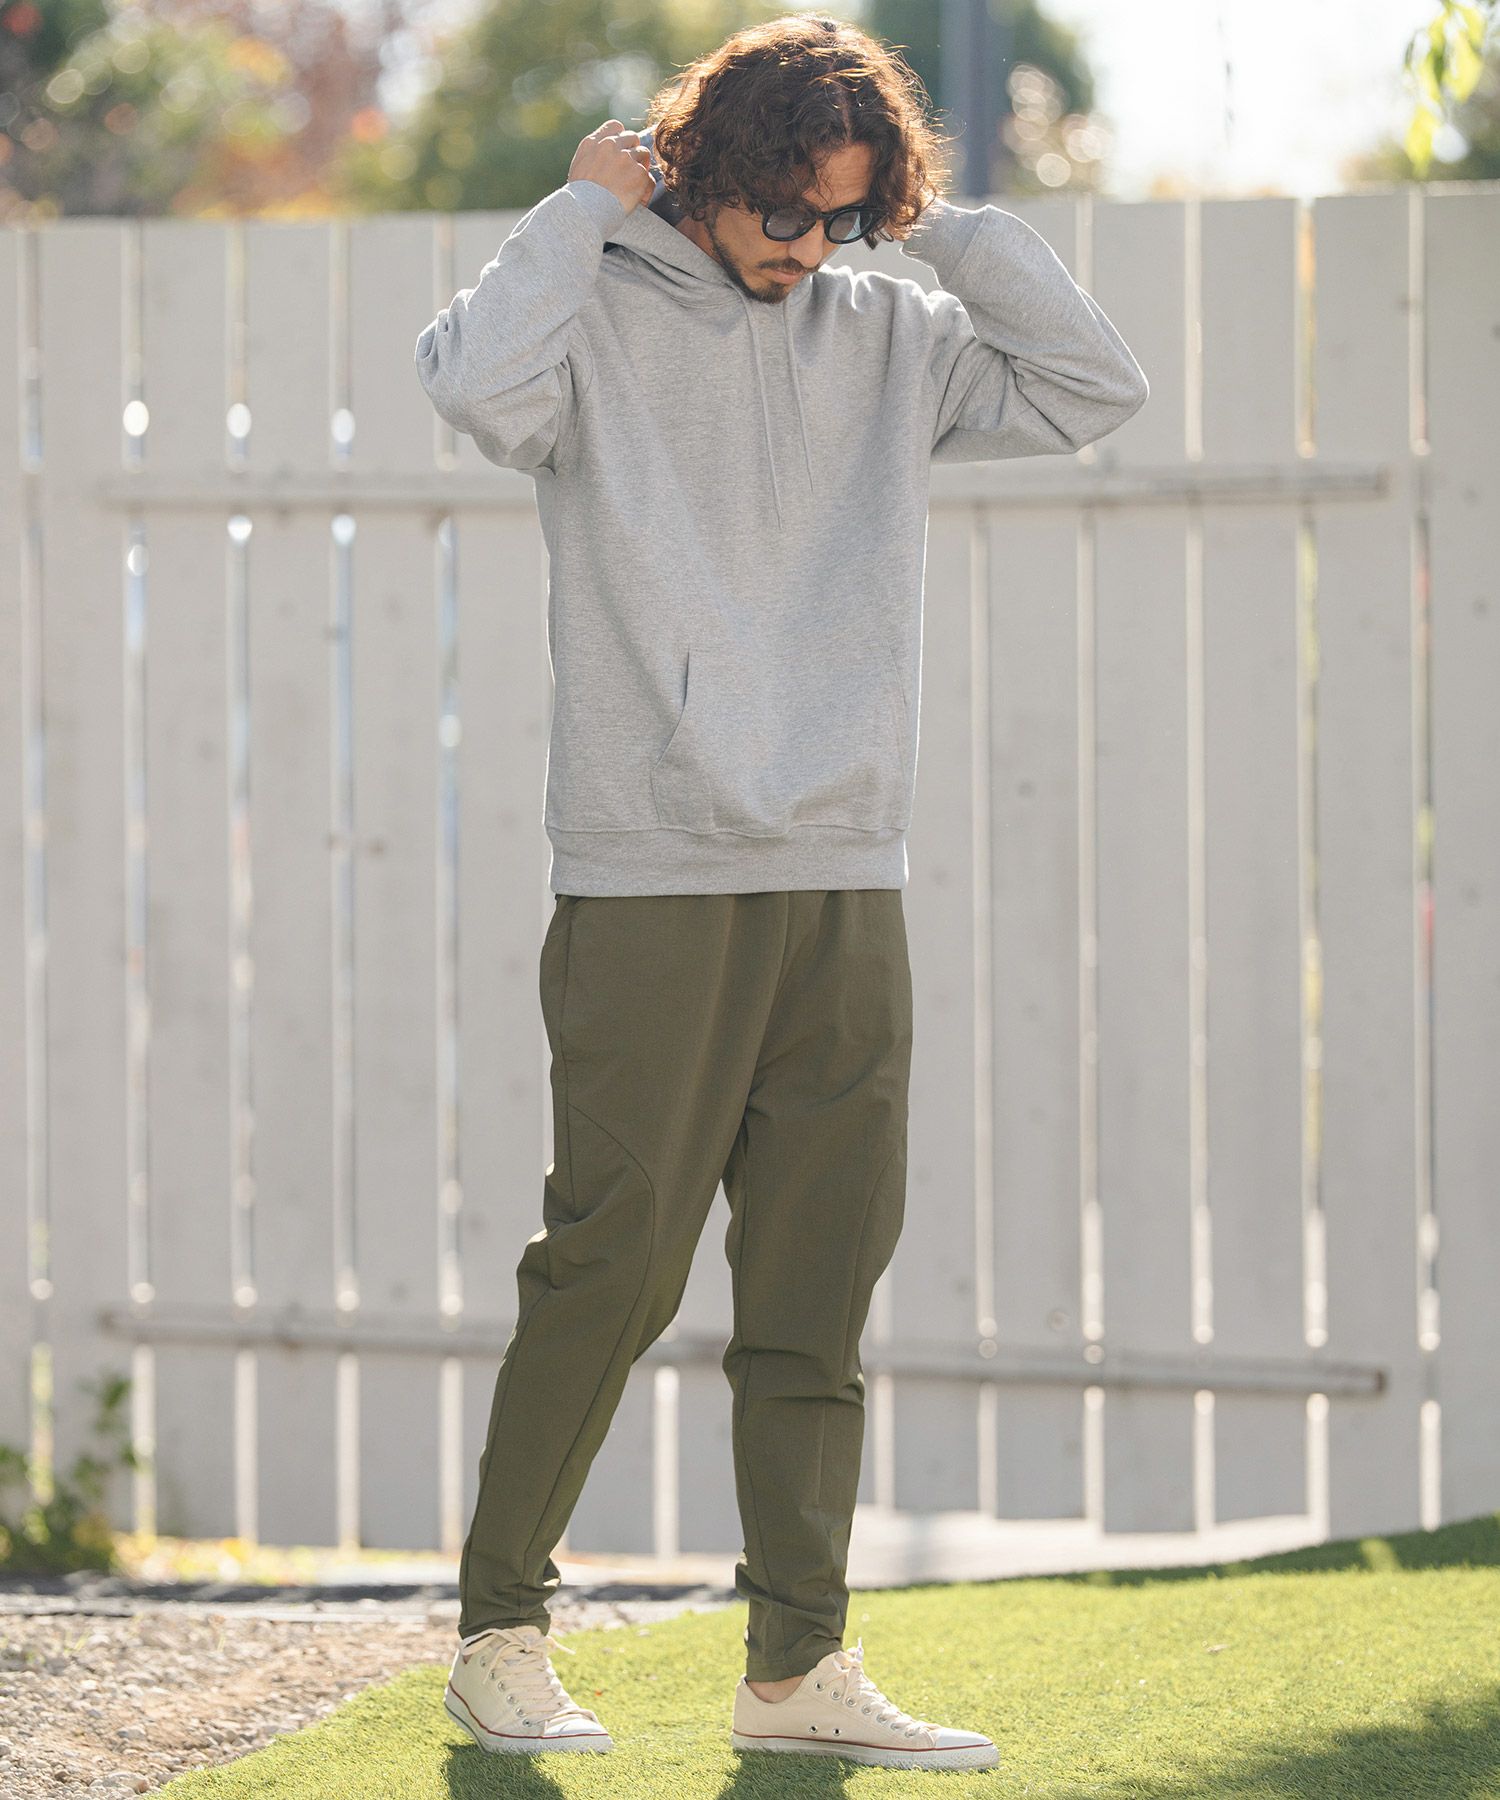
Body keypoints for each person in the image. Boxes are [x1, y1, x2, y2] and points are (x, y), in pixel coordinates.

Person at [415, 11, 1147, 1773]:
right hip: (653, 868)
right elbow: (473, 389)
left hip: (845, 866)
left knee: (819, 1292)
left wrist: (943, 229)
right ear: (711, 171)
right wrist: (579, 213)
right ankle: (500, 1637)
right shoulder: (587, 316)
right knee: (611, 1266)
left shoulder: (891, 331)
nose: (809, 246)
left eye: (845, 215)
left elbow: (1091, 389)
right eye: (785, 211)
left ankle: (795, 1668)